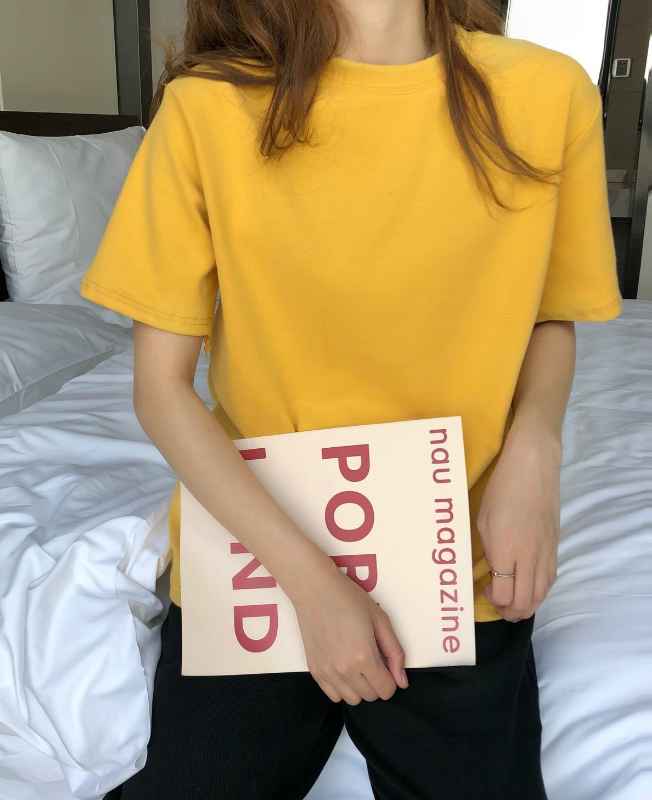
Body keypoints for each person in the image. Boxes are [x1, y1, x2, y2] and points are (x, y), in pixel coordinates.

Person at [82, 0, 622, 797]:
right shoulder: (207, 109)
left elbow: (550, 311)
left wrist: (536, 449)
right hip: (258, 557)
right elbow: (161, 391)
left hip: (455, 556)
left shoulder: (550, 93)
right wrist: (314, 587)